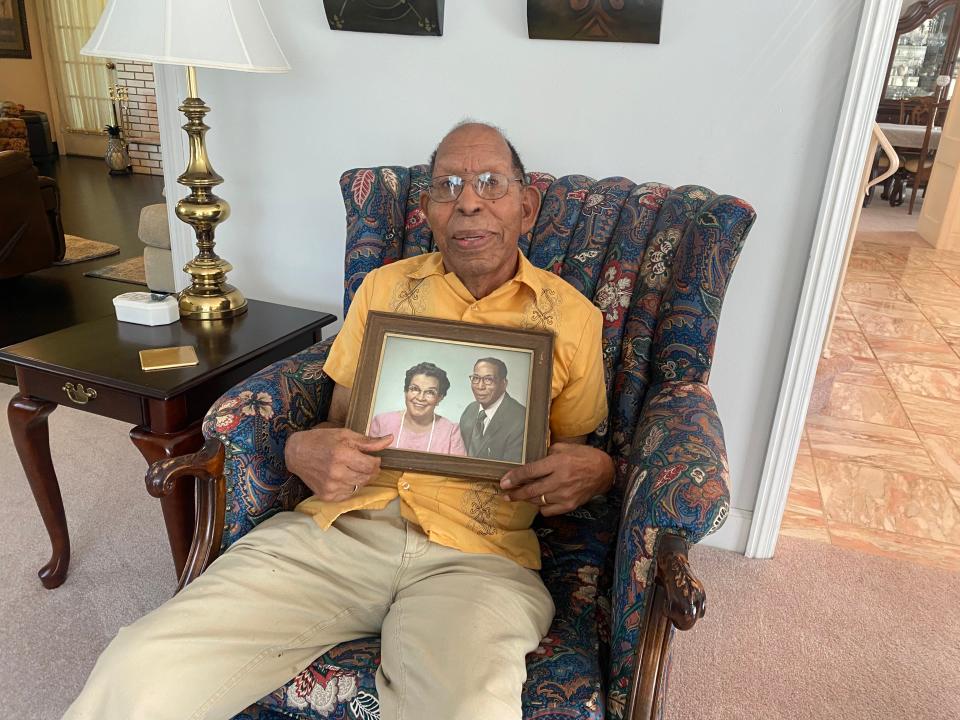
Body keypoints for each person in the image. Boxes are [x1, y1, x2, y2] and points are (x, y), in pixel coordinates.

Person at [65, 121, 613, 720]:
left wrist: (598, 469)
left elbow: (570, 458)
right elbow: (337, 423)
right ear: (428, 209)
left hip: (481, 559)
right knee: (141, 668)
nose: (469, 202)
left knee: (467, 708)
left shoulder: (574, 317)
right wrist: (303, 449)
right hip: (342, 532)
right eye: (447, 185)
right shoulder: (384, 288)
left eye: (490, 183)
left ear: (526, 207)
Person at [369, 361, 466, 455]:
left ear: (439, 398)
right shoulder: (381, 423)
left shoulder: (451, 432)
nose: (420, 398)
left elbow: (458, 470)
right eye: (414, 389)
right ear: (406, 392)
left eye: (430, 392)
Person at [460, 357, 526, 462]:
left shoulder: (522, 420)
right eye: (476, 378)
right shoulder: (470, 410)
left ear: (504, 384)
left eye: (488, 379)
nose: (480, 386)